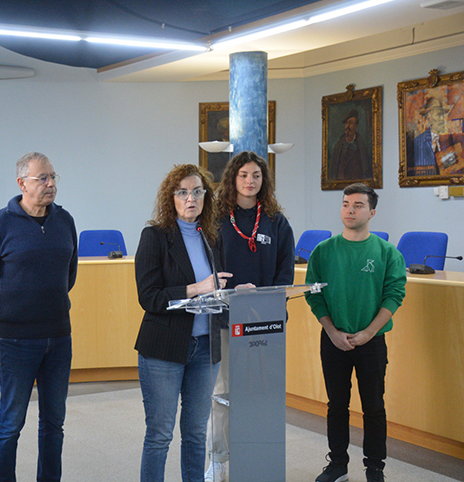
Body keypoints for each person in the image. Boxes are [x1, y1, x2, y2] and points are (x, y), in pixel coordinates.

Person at [0, 151, 78, 482]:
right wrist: (8, 317)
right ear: (21, 183)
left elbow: (68, 276)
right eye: (42, 178)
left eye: (53, 177)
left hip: (59, 337)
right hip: (16, 341)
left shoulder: (65, 221)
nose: (50, 184)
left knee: (53, 423)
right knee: (10, 423)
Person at [134, 163, 231, 482]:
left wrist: (233, 292)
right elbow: (149, 297)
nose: (191, 198)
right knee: (160, 435)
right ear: (171, 198)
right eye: (183, 192)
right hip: (164, 349)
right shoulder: (155, 237)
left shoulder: (211, 238)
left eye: (198, 192)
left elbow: (214, 287)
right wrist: (198, 288)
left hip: (205, 349)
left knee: (195, 434)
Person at [305, 183, 406, 482]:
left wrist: (369, 332)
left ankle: (375, 468)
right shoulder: (324, 251)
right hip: (333, 340)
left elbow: (394, 294)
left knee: (374, 406)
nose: (350, 210)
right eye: (346, 204)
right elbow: (314, 294)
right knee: (337, 405)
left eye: (358, 205)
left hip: (371, 342)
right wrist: (332, 330)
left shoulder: (387, 252)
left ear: (372, 211)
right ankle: (337, 465)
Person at [204, 151, 295, 482]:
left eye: (256, 175)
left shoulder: (276, 221)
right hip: (226, 321)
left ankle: (256, 457)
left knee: (260, 393)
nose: (249, 181)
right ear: (232, 178)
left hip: (264, 323)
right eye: (243, 174)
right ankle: (219, 459)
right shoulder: (215, 219)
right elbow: (209, 267)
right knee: (222, 392)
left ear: (264, 180)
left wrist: (261, 297)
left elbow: (285, 271)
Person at [411, 96, 464, 176]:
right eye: (439, 115)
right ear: (429, 116)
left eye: (443, 114)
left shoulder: (450, 140)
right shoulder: (417, 142)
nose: (442, 118)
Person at [328, 109, 371, 181]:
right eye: (346, 123)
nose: (348, 126)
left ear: (356, 126)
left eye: (351, 123)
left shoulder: (361, 145)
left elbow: (365, 168)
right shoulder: (338, 146)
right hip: (340, 183)